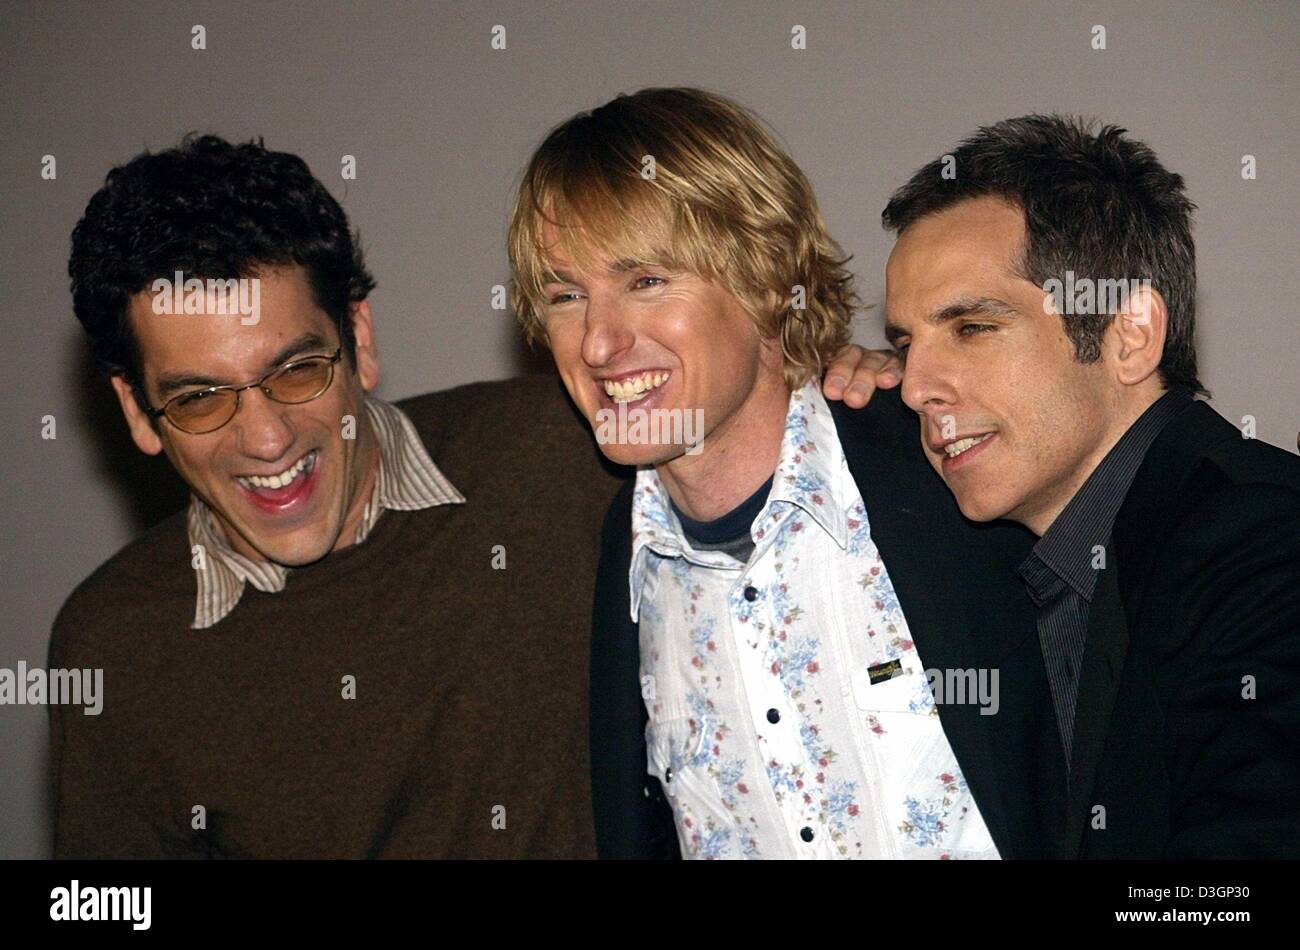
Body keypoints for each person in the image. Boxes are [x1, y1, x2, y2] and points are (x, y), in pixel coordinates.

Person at [52, 133, 883, 858]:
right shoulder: (117, 644)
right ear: (137, 410)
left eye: (298, 371)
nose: (266, 439)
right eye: (200, 398)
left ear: (361, 340)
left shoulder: (571, 449)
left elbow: (735, 378)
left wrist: (870, 375)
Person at [508, 88, 1052, 859]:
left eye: (647, 281)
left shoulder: (941, 461)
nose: (598, 343)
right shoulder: (616, 568)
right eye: (567, 295)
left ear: (765, 279)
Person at [881, 114, 1300, 857]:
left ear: (1129, 335)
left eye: (973, 327)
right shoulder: (1016, 568)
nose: (915, 386)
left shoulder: (1266, 545)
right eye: (906, 344)